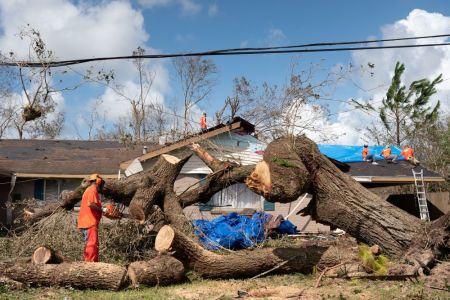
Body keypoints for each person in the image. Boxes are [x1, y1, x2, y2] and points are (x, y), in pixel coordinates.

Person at [77, 173, 106, 262]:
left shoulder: (89, 190)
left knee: (92, 244)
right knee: (92, 244)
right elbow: (91, 204)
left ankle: (92, 262)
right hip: (89, 222)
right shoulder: (92, 189)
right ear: (98, 182)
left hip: (87, 221)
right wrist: (101, 209)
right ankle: (90, 264)